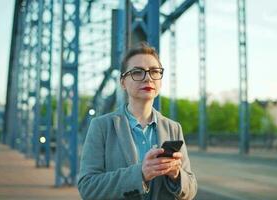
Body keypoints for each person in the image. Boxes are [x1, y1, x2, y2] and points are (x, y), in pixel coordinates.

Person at [77, 43, 197, 200]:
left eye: (154, 71)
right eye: (137, 72)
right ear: (122, 82)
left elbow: (191, 189)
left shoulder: (173, 128)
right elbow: (88, 187)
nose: (148, 78)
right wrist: (140, 174)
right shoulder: (101, 126)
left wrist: (176, 175)